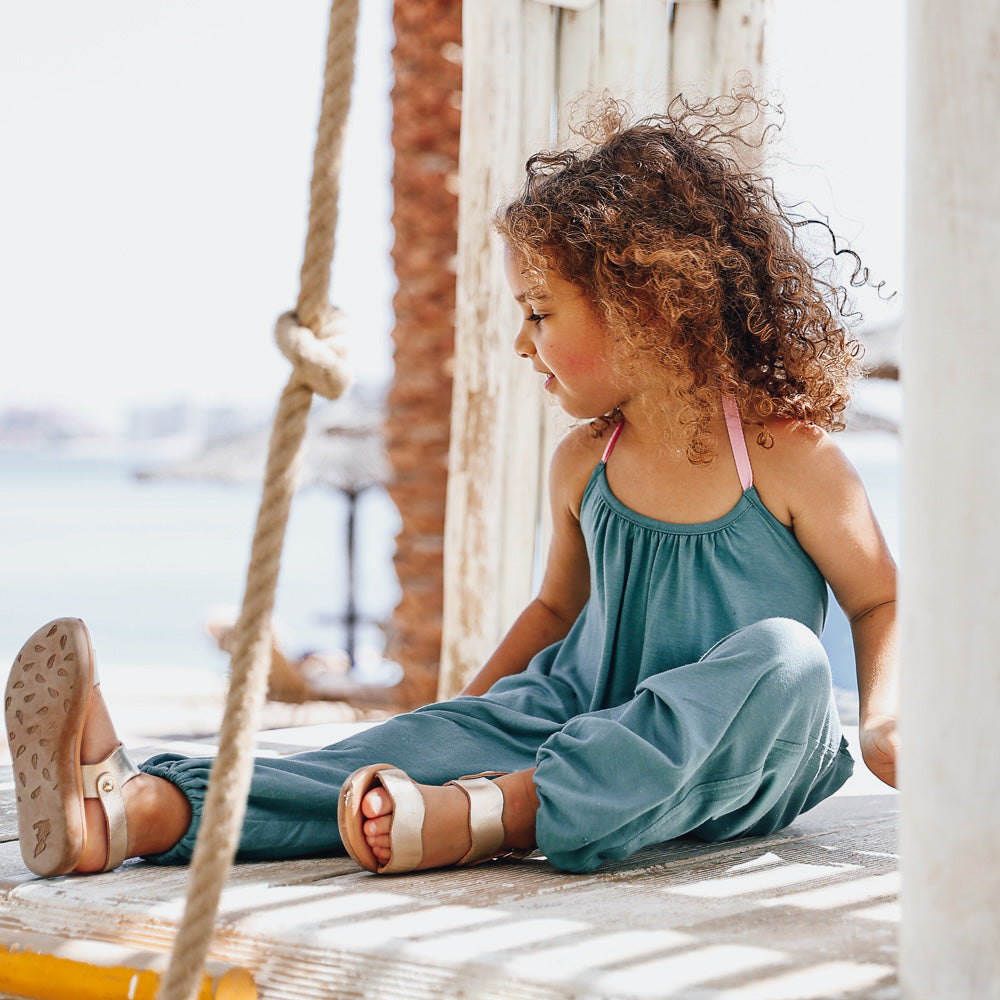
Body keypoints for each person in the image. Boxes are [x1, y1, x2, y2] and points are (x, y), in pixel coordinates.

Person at [5, 94, 898, 880]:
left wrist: (886, 717)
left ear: (649, 308)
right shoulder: (584, 466)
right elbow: (553, 615)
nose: (522, 344)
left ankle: (503, 811)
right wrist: (459, 720)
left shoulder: (784, 455)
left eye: (539, 313)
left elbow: (876, 600)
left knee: (787, 656)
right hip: (573, 717)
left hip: (738, 754)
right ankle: (134, 811)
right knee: (391, 750)